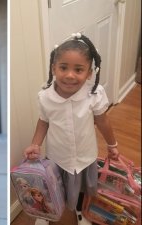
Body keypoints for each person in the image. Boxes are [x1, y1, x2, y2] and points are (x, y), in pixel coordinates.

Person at [23, 33, 119, 225]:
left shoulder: (94, 95)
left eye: (79, 69)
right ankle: (46, 213)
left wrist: (112, 145)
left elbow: (103, 121)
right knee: (53, 188)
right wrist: (35, 144)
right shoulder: (46, 96)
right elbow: (43, 121)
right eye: (63, 67)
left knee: (82, 188)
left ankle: (80, 211)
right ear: (54, 68)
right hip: (58, 156)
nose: (69, 75)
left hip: (85, 156)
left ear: (89, 73)